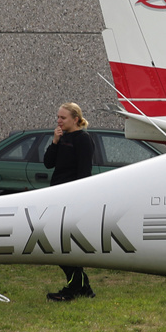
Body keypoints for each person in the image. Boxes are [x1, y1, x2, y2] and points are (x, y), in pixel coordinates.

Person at [43, 101, 96, 301]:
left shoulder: (83, 139)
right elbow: (48, 163)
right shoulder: (62, 138)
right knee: (55, 244)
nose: (59, 121)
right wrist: (55, 141)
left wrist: (78, 199)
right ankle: (82, 287)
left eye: (63, 118)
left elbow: (84, 171)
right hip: (56, 195)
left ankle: (76, 288)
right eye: (58, 117)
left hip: (70, 199)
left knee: (63, 245)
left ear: (75, 119)